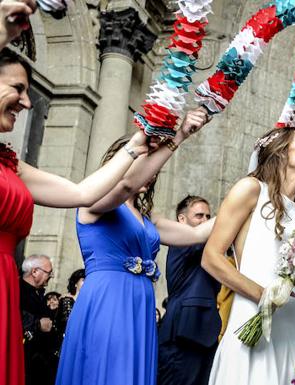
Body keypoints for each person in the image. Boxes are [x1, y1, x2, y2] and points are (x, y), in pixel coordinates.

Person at [0, 46, 148, 385]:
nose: (26, 102)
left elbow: (82, 193)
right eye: (18, 88)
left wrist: (135, 147)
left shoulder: (10, 164)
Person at [54, 108, 213, 385]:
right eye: (144, 160)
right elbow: (126, 185)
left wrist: (257, 190)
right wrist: (181, 135)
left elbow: (198, 233)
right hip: (108, 300)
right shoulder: (95, 204)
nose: (150, 170)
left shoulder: (148, 219)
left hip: (139, 305)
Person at [202, 127, 295, 385]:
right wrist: (264, 296)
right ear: (280, 152)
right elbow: (211, 258)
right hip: (255, 316)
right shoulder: (251, 190)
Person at [158, 195, 221, 385]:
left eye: (208, 216)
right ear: (182, 220)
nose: (205, 221)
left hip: (206, 333)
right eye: (199, 216)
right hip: (182, 332)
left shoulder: (210, 247)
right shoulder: (181, 242)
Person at [20, 255, 56, 385]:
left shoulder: (39, 293)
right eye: (49, 272)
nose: (51, 276)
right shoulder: (17, 288)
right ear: (34, 271)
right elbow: (13, 315)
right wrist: (37, 323)